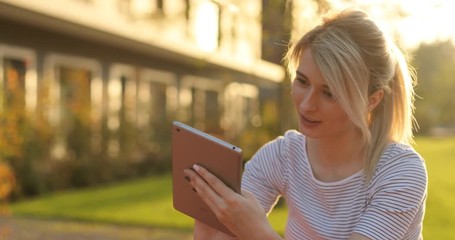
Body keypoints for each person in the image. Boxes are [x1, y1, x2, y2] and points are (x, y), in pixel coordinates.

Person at [183, 8, 427, 240]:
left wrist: (259, 234)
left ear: (371, 100)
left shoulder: (401, 172)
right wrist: (209, 217)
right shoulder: (282, 156)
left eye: (329, 93)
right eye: (302, 81)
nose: (307, 105)